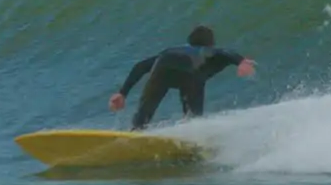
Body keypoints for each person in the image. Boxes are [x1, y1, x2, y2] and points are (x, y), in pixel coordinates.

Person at [108, 25, 256, 130]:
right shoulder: (210, 52)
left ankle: (136, 131)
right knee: (193, 118)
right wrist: (241, 61)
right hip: (191, 73)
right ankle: (191, 137)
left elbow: (141, 66)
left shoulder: (174, 50)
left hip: (163, 66)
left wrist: (122, 93)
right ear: (210, 43)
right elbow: (226, 52)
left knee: (143, 115)